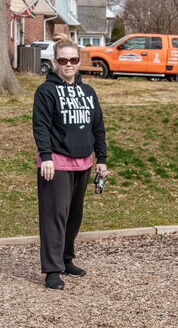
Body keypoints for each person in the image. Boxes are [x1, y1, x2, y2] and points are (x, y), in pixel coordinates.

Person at [32, 33, 108, 290]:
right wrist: (46, 157)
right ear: (55, 62)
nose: (68, 64)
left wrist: (102, 159)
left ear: (78, 61)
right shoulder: (46, 91)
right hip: (56, 164)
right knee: (55, 217)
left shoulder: (88, 91)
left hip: (84, 163)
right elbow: (40, 127)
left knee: (74, 216)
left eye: (73, 59)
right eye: (63, 60)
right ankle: (52, 270)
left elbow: (98, 127)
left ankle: (66, 259)